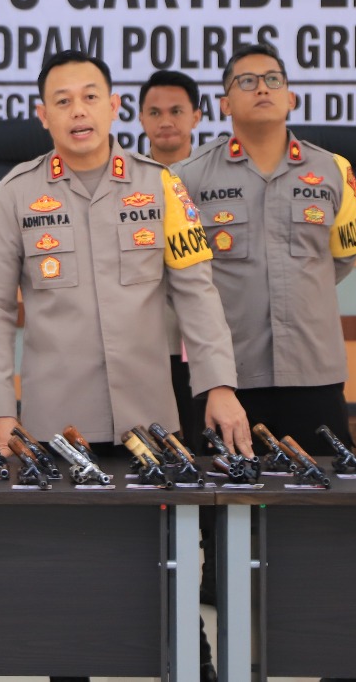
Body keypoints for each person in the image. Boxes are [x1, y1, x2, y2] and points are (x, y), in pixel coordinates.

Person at [0, 50, 250, 457]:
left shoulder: (162, 185)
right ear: (43, 115)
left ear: (113, 106)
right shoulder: (15, 194)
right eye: (63, 101)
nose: (78, 111)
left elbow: (197, 293)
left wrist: (219, 386)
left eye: (90, 97)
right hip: (55, 423)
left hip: (150, 420)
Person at [175, 43, 356, 457]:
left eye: (272, 80)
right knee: (226, 488)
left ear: (291, 97)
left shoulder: (334, 170)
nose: (262, 88)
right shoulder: (187, 177)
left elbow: (342, 258)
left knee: (321, 486)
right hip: (228, 375)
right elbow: (180, 275)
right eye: (247, 81)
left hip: (313, 370)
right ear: (225, 103)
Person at [137, 69, 208, 449]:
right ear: (140, 118)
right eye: (155, 112)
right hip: (149, 340)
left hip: (208, 338)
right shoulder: (127, 183)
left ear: (196, 116)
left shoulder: (216, 179)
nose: (165, 121)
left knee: (206, 447)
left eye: (176, 111)